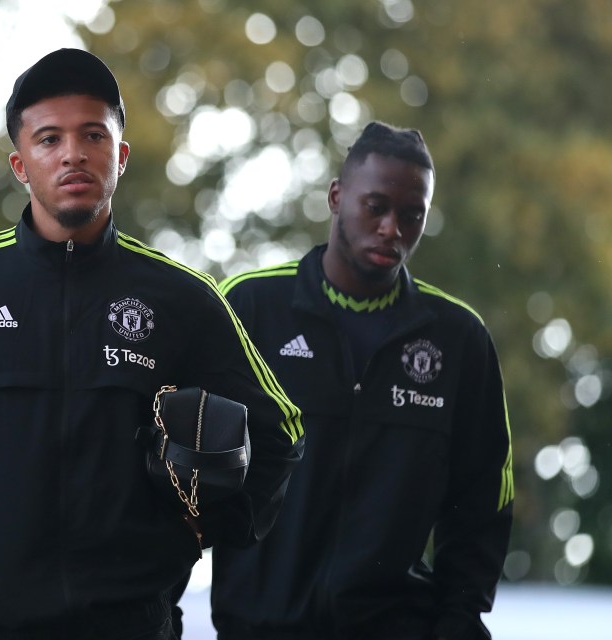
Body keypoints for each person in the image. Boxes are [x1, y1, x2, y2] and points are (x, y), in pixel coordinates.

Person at [0, 48, 304, 640]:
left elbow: (282, 430)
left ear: (118, 154)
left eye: (92, 135)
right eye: (49, 139)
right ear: (20, 164)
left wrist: (197, 532)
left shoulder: (182, 298)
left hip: (131, 624)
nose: (72, 153)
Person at [206, 121, 513, 640]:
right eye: (377, 207)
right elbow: (182, 466)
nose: (393, 228)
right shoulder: (250, 307)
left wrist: (460, 620)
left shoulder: (458, 339)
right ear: (336, 196)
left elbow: (483, 499)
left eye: (412, 215)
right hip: (258, 627)